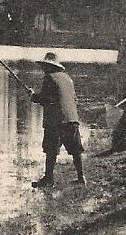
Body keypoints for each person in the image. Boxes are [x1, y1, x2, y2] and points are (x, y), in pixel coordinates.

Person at [29, 51, 86, 188]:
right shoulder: (68, 79)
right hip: (72, 119)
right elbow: (73, 99)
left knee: (51, 150)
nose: (44, 69)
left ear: (50, 67)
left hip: (56, 121)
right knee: (76, 150)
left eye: (45, 66)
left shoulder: (49, 78)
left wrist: (33, 96)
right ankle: (81, 177)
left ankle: (48, 179)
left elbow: (46, 99)